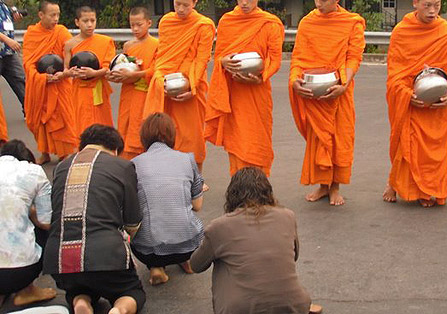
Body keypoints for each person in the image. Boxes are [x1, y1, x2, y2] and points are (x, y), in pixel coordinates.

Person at [43, 125, 145, 314]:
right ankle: (119, 310)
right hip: (106, 256)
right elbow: (132, 222)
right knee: (132, 291)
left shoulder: (61, 167)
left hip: (60, 260)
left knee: (77, 287)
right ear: (115, 150)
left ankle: (81, 301)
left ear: (82, 146)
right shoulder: (123, 166)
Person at [189, 167, 321, 314]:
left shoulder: (219, 226)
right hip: (294, 305)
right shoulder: (287, 216)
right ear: (268, 192)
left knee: (220, 257)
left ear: (232, 195)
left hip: (239, 309)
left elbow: (196, 265)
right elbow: (294, 256)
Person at [383, 0, 447, 207]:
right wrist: (406, 94)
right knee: (405, 145)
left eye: (436, 6)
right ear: (415, 4)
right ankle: (396, 184)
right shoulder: (402, 32)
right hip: (411, 100)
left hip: (438, 103)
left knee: (435, 151)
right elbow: (395, 71)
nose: (432, 11)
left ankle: (429, 189)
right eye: (427, 5)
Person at [289, 0, 365, 206]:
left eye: (323, 0)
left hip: (338, 89)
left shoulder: (351, 23)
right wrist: (294, 81)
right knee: (319, 141)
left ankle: (335, 187)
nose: (318, 4)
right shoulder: (307, 23)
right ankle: (323, 185)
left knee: (338, 140)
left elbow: (354, 57)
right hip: (314, 91)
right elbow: (298, 57)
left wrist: (345, 83)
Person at [205, 0, 284, 177]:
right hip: (234, 93)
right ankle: (239, 187)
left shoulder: (269, 23)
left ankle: (260, 188)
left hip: (258, 90)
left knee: (259, 139)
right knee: (237, 140)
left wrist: (262, 76)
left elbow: (275, 59)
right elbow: (220, 54)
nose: (244, 2)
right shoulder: (227, 21)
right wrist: (223, 62)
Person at [142, 0, 215, 174]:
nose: (181, 9)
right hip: (166, 83)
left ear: (195, 3)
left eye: (186, 5)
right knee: (164, 131)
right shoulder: (166, 21)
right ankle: (170, 172)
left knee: (192, 133)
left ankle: (197, 174)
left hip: (191, 82)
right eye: (178, 4)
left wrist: (191, 86)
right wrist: (159, 78)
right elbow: (164, 55)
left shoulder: (204, 25)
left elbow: (201, 59)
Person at [130, 113, 204, 285]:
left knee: (141, 229)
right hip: (188, 243)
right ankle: (187, 260)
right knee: (185, 220)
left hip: (148, 250)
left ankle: (155, 268)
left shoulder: (133, 163)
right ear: (172, 135)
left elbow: (131, 209)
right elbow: (197, 205)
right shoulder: (187, 159)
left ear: (144, 137)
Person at [0, 140, 56, 307]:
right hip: (20, 273)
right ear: (27, 159)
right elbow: (47, 222)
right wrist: (30, 212)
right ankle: (26, 290)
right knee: (45, 228)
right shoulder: (33, 171)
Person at [23, 0, 77, 165]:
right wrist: (42, 78)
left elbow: (70, 53)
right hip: (40, 85)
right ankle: (44, 153)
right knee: (40, 121)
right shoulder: (32, 34)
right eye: (52, 15)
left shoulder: (61, 32)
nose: (56, 19)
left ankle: (65, 153)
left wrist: (64, 73)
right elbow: (28, 63)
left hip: (60, 84)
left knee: (62, 118)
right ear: (41, 15)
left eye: (58, 15)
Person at [107, 7, 158, 160]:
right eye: (132, 25)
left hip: (145, 94)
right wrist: (115, 75)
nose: (135, 29)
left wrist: (135, 74)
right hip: (128, 94)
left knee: (142, 129)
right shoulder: (128, 46)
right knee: (125, 127)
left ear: (149, 23)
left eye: (139, 24)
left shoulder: (157, 44)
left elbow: (156, 70)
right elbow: (122, 67)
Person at [64, 6, 115, 136]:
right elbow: (66, 69)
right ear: (77, 22)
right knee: (82, 124)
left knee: (102, 124)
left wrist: (94, 73)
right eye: (85, 21)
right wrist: (71, 72)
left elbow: (108, 67)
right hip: (79, 91)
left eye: (93, 20)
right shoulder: (70, 44)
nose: (89, 25)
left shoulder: (105, 41)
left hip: (98, 89)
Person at [0, 0, 26, 113]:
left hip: (8, 52)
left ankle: (29, 111)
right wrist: (7, 40)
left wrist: (14, 18)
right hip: (6, 45)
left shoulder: (2, 4)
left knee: (21, 80)